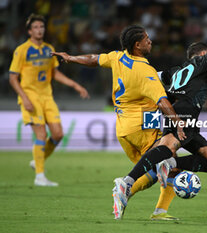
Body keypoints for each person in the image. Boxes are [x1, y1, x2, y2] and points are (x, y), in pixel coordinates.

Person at [112, 42, 207, 218]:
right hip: (185, 112)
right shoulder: (203, 60)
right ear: (205, 53)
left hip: (176, 112)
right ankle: (127, 181)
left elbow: (151, 77)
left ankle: (169, 166)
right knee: (167, 148)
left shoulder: (175, 71)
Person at [52, 25, 185, 220]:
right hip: (144, 127)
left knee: (150, 174)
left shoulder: (118, 57)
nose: (151, 41)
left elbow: (94, 59)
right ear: (137, 45)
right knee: (171, 163)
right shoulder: (145, 71)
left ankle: (124, 193)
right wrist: (178, 121)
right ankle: (156, 209)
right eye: (147, 39)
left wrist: (71, 58)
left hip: (124, 130)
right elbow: (162, 102)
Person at [9, 14, 90, 187]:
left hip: (47, 96)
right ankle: (39, 176)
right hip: (30, 96)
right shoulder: (21, 50)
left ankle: (38, 160)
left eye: (42, 27)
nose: (40, 29)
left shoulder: (49, 49)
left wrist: (75, 85)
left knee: (58, 134)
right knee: (41, 134)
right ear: (30, 31)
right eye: (36, 27)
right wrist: (24, 98)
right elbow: (13, 78)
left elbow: (55, 73)